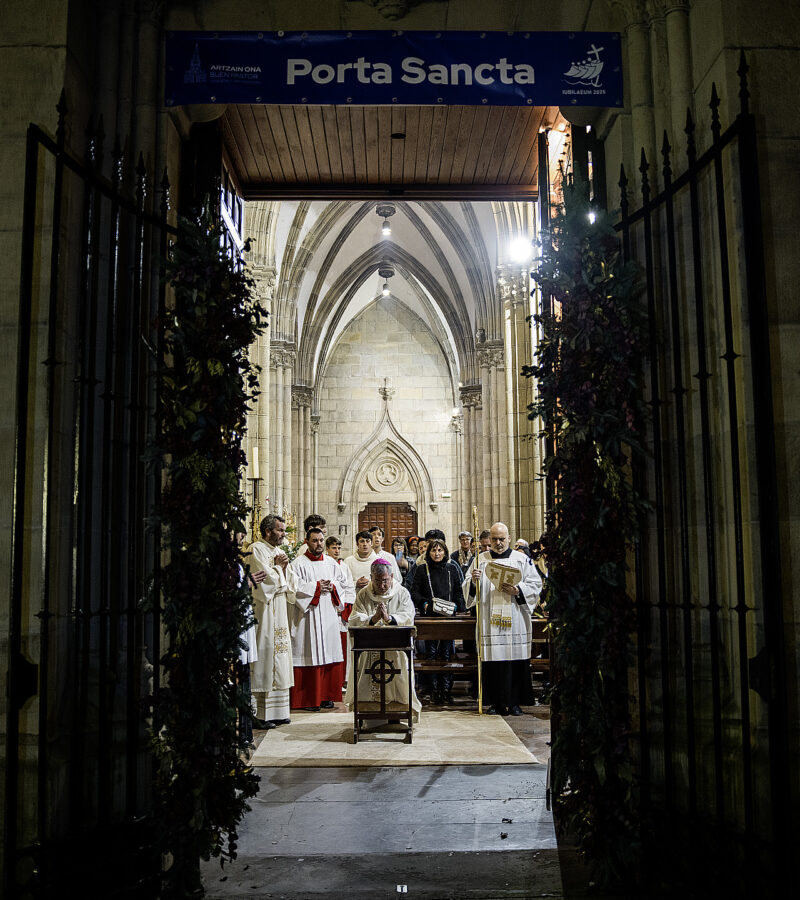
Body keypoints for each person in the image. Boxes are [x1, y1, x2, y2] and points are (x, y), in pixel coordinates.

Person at [463, 522, 542, 716]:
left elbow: (536, 584)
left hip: (515, 619)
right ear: (489, 539)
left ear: (509, 538)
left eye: (502, 539)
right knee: (493, 663)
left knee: (515, 661)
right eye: (494, 539)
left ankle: (515, 703)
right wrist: (473, 581)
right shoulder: (480, 560)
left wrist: (518, 590)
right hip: (490, 622)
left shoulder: (521, 559)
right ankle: (495, 703)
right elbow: (467, 589)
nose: (498, 543)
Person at [345, 559, 421, 723]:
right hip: (368, 648)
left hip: (396, 648)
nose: (382, 585)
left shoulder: (401, 593)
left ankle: (398, 714)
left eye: (385, 580)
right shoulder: (364, 594)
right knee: (368, 675)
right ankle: (369, 716)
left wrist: (390, 618)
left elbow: (408, 616)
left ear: (392, 576)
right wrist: (373, 619)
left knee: (397, 676)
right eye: (377, 580)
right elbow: (355, 618)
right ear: (371, 577)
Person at [288, 527, 355, 710]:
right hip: (307, 616)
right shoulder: (297, 564)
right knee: (308, 653)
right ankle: (309, 699)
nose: (319, 544)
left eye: (321, 540)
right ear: (307, 542)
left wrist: (332, 588)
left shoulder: (331, 563)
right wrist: (316, 587)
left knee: (329, 652)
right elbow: (293, 588)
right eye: (315, 540)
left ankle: (326, 696)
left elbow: (343, 584)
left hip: (328, 616)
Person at [246, 514, 296, 728]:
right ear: (268, 531)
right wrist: (278, 569)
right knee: (265, 654)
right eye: (281, 530)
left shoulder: (279, 551)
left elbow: (290, 583)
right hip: (264, 610)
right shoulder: (256, 549)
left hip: (279, 609)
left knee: (280, 655)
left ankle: (279, 711)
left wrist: (283, 569)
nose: (284, 534)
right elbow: (265, 581)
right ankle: (260, 714)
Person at [410, 537, 465, 705]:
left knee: (448, 654)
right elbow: (415, 592)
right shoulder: (421, 569)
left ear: (445, 552)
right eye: (434, 550)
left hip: (448, 619)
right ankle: (434, 689)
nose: (437, 553)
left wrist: (457, 606)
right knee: (432, 654)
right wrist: (424, 604)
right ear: (429, 552)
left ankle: (446, 690)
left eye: (440, 550)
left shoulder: (451, 569)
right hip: (430, 618)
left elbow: (458, 590)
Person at [326, 534, 355, 685]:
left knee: (344, 647)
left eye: (338, 548)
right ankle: (331, 680)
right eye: (333, 548)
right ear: (327, 549)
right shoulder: (324, 564)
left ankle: (343, 679)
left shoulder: (344, 566)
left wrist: (344, 608)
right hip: (328, 610)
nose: (336, 550)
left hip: (341, 612)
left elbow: (349, 587)